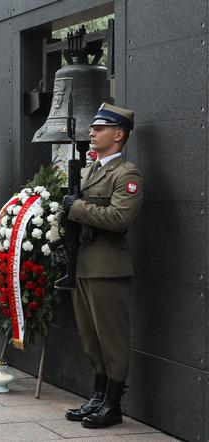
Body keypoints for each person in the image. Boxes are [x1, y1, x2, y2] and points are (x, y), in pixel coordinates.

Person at [59, 103, 143, 429]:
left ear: (118, 134)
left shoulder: (127, 174)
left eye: (100, 127)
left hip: (108, 266)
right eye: (93, 127)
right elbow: (69, 211)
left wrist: (76, 207)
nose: (92, 132)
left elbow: (120, 218)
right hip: (82, 263)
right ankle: (97, 395)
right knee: (91, 338)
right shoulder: (88, 170)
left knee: (112, 338)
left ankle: (113, 404)